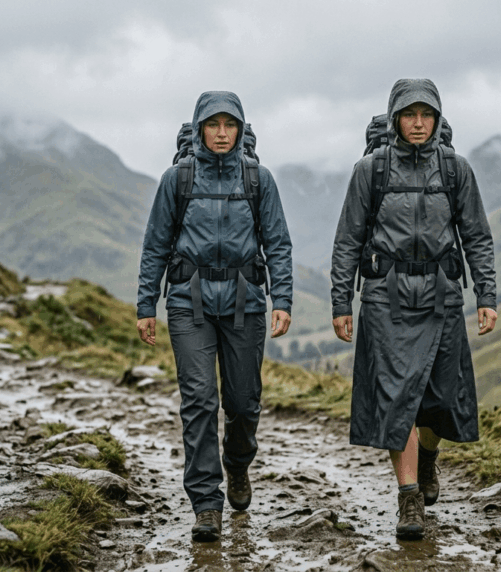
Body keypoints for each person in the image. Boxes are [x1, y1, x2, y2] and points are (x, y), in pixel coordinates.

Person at [330, 78, 497, 540]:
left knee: (441, 397)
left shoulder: (456, 169)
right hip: (386, 295)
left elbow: (477, 236)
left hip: (442, 294)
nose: (418, 123)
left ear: (438, 118)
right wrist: (341, 301)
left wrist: (486, 295)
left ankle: (428, 457)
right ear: (395, 119)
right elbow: (348, 240)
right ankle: (408, 499)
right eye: (409, 115)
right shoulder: (372, 170)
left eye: (426, 114)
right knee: (396, 397)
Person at [136, 91, 293, 542]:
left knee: (243, 404)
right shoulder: (177, 179)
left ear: (241, 129)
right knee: (200, 400)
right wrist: (147, 304)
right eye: (213, 125)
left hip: (245, 302)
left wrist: (281, 299)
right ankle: (206, 502)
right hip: (189, 303)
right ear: (200, 128)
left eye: (230, 125)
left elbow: (277, 243)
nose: (222, 133)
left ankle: (238, 463)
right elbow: (155, 245)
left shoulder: (258, 179)